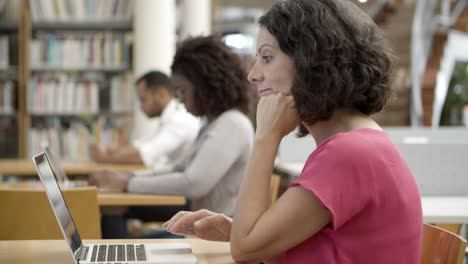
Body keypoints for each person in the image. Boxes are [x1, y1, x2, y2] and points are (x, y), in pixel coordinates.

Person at [163, 0, 423, 263]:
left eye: (266, 58)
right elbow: (300, 251)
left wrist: (266, 136)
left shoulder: (348, 153)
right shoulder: (358, 143)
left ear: (313, 61)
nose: (252, 75)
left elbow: (244, 251)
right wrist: (234, 231)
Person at [89, 35, 254, 237]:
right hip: (200, 227)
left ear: (205, 86)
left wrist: (128, 183)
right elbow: (178, 167)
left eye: (183, 91)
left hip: (214, 237)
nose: (181, 99)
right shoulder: (213, 122)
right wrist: (130, 177)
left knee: (130, 238)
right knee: (113, 212)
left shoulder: (231, 124)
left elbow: (193, 183)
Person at [89, 70, 200, 167]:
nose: (141, 107)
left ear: (160, 94)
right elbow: (143, 144)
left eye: (143, 99)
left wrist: (103, 158)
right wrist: (116, 149)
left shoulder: (179, 120)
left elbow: (143, 156)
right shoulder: (170, 118)